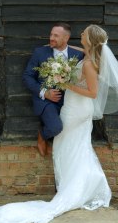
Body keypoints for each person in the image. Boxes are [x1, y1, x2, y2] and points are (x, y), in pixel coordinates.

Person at [0, 24, 118, 223]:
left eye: (84, 33)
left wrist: (65, 84)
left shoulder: (87, 63)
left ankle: (70, 191)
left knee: (66, 147)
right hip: (74, 108)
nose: (81, 35)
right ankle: (83, 187)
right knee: (77, 148)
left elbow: (93, 93)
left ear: (89, 39)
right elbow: (78, 53)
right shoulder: (85, 55)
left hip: (77, 110)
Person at [22, 22, 83, 156]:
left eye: (56, 35)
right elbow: (27, 76)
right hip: (46, 100)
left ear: (66, 38)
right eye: (51, 34)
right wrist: (44, 92)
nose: (51, 38)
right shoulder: (40, 52)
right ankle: (42, 135)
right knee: (55, 127)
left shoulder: (78, 55)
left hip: (69, 101)